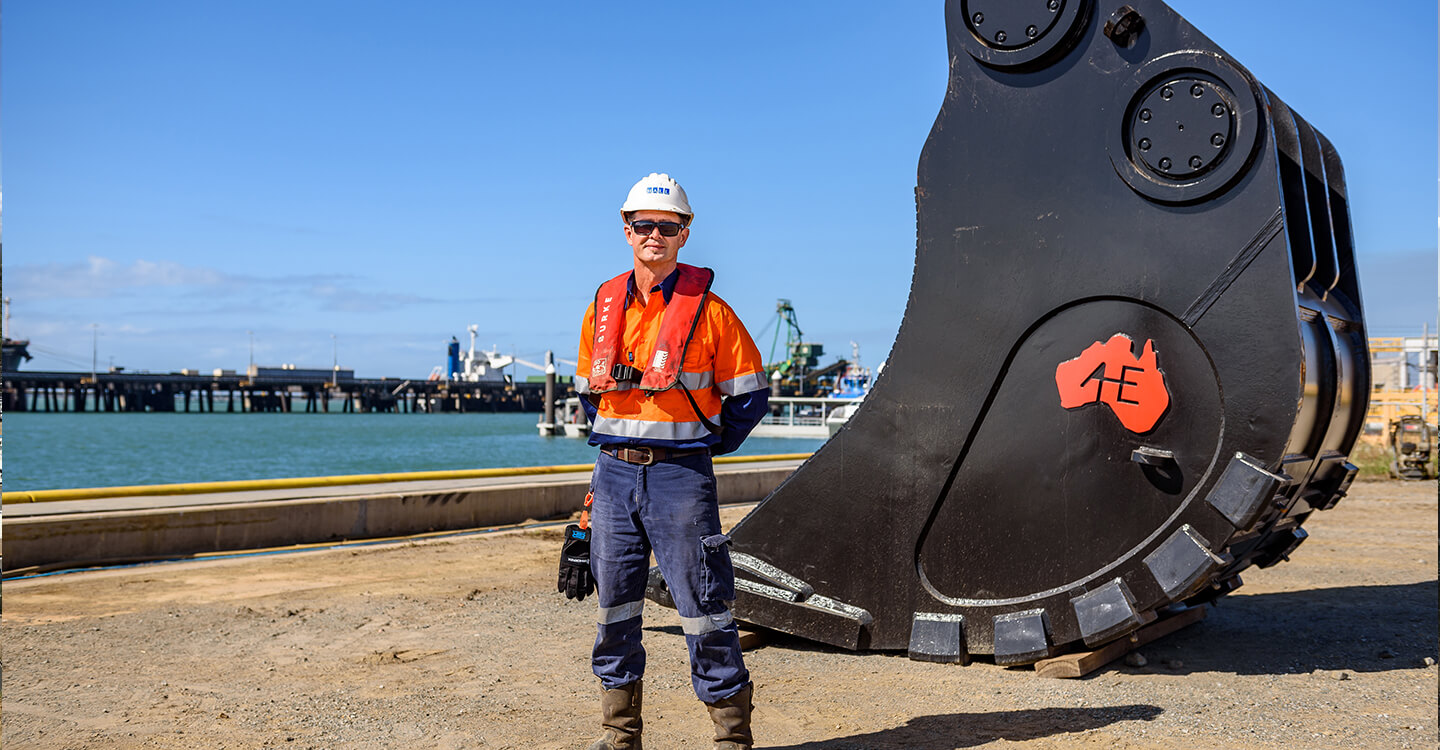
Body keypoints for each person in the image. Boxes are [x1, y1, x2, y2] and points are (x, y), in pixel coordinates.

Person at [560, 172, 769, 749]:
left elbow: (750, 396)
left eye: (667, 227)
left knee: (704, 609)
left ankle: (731, 740)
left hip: (681, 478)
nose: (655, 235)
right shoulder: (602, 307)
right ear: (627, 230)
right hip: (614, 473)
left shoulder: (712, 313)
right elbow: (589, 393)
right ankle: (619, 736)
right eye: (644, 225)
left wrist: (706, 445)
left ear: (684, 233)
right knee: (615, 608)